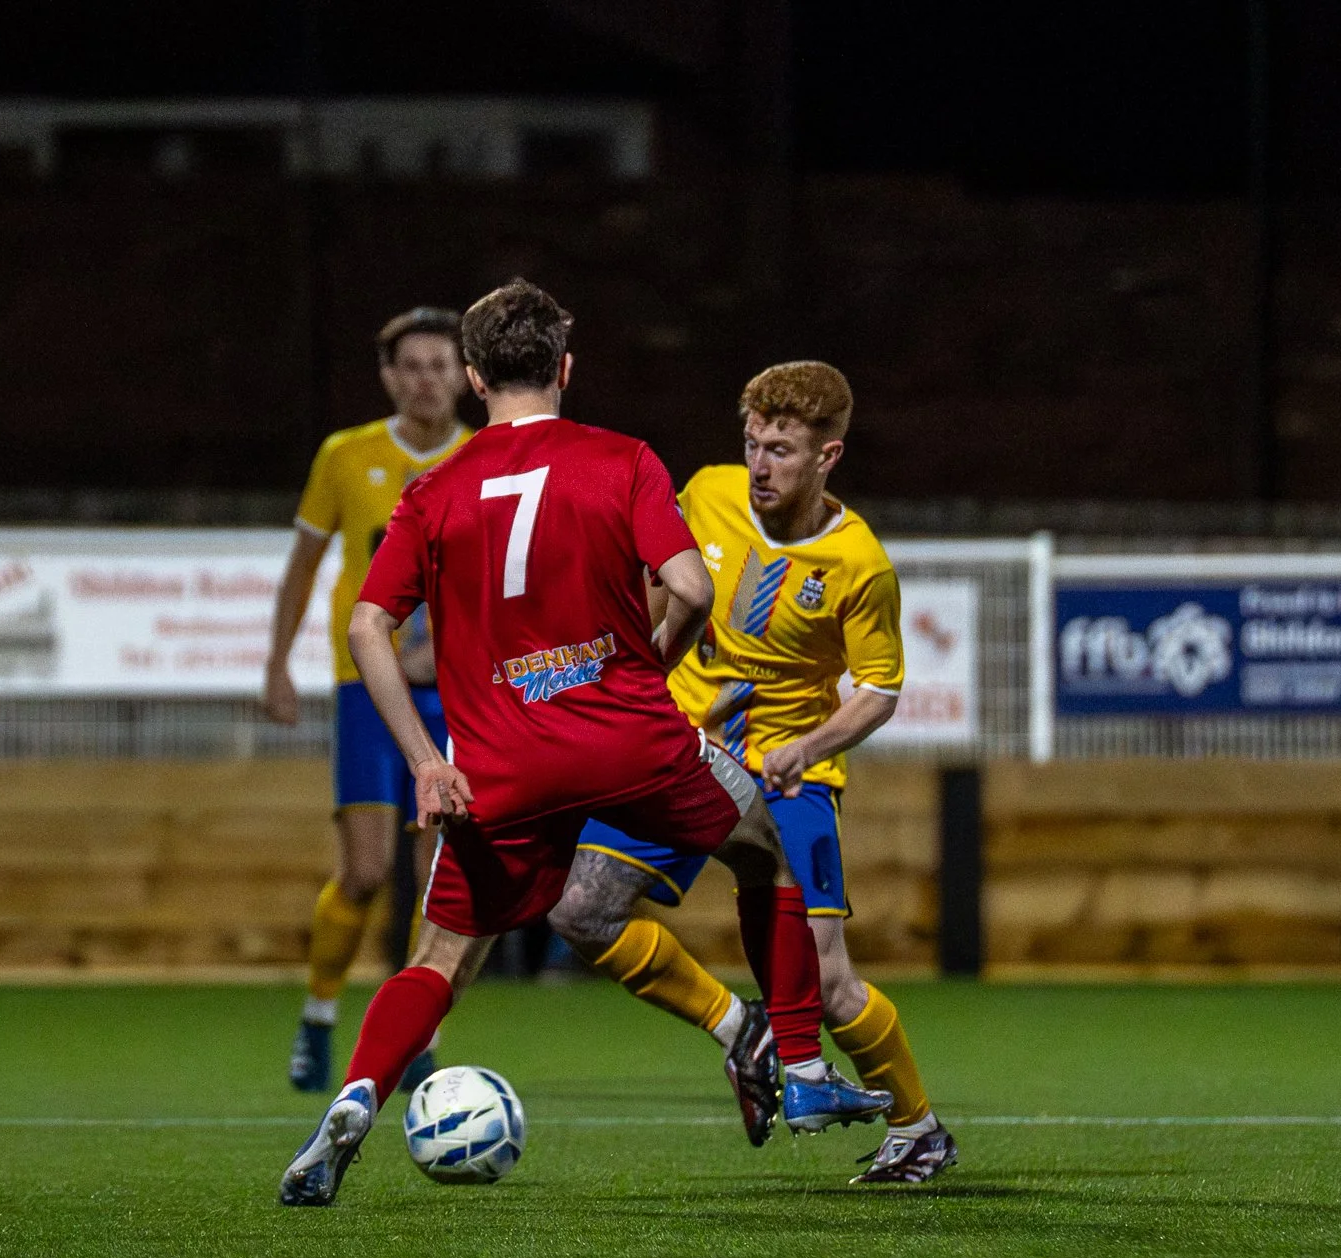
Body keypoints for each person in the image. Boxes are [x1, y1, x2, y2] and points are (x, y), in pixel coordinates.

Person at [280, 282, 889, 1207]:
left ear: (475, 377)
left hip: (498, 767)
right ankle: (799, 1064)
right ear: (566, 368)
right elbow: (688, 583)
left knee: (438, 959)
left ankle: (358, 1093)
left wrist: (426, 761)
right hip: (629, 742)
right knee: (766, 847)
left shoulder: (433, 489)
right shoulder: (624, 460)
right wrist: (644, 672)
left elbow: (369, 625)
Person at [550, 361, 958, 1185]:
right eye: (752, 444)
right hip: (679, 752)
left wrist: (809, 747)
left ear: (827, 456)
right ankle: (746, 1031)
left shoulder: (858, 562)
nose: (760, 464)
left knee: (833, 982)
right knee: (580, 911)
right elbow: (654, 590)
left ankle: (919, 1129)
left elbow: (879, 689)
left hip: (789, 780)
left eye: (780, 449)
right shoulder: (705, 494)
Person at [264, 308, 471, 1092]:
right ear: (389, 376)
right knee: (363, 869)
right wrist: (277, 664)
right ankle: (319, 1014)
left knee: (435, 874)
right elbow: (304, 566)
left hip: (457, 695)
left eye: (440, 365)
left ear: (465, 375)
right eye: (411, 365)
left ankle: (419, 1037)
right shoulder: (346, 456)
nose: (427, 379)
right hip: (368, 691)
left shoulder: (483, 459)